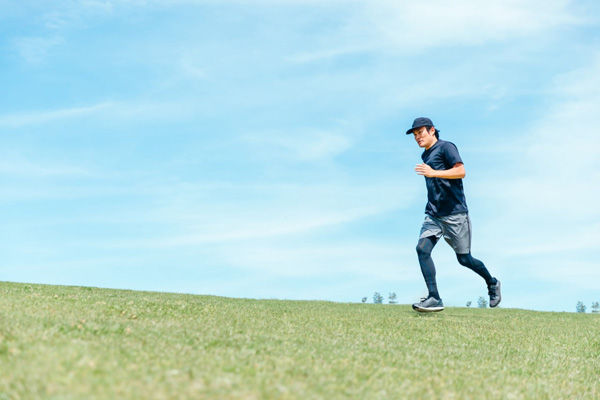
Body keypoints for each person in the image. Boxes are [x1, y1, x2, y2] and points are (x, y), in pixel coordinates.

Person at [406, 117, 501, 312]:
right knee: (422, 249)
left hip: (455, 214)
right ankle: (434, 297)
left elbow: (461, 171)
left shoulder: (446, 147)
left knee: (465, 259)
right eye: (415, 135)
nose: (417, 137)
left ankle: (492, 282)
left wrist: (434, 173)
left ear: (432, 130)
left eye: (420, 133)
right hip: (434, 214)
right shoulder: (425, 156)